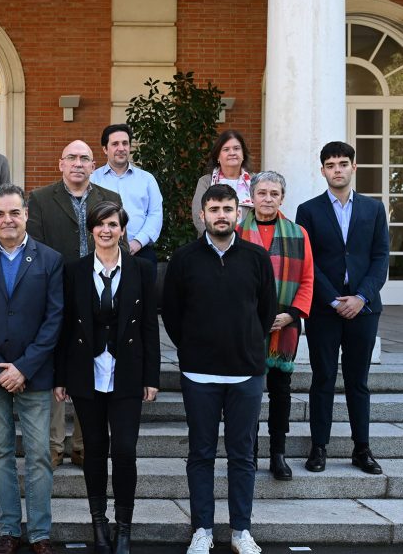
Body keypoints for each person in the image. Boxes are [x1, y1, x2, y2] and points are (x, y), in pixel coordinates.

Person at [162, 184, 276, 554]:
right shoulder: (184, 259)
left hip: (245, 373)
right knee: (201, 454)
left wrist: (245, 344)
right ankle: (203, 530)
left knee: (243, 455)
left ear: (238, 213)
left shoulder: (257, 259)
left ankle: (241, 530)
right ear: (203, 215)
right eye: (214, 209)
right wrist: (193, 348)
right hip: (199, 374)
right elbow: (173, 315)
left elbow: (267, 312)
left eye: (228, 208)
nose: (221, 215)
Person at [0, 184, 64, 554]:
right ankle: (9, 529)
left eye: (14, 212)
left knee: (38, 454)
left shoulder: (49, 259)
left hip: (34, 374)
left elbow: (55, 319)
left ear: (26, 214)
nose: (8, 220)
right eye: (0, 213)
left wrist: (22, 367)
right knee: (1, 453)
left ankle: (39, 532)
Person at [55, 201, 160, 554]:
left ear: (122, 229)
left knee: (126, 450)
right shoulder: (75, 271)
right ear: (91, 230)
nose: (106, 230)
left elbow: (149, 327)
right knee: (95, 450)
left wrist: (152, 376)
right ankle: (99, 525)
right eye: (100, 224)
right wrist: (60, 376)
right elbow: (66, 326)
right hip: (86, 372)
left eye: (112, 224)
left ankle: (124, 527)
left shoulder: (142, 270)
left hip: (127, 371)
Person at [27, 140, 123, 470]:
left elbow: (115, 242)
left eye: (84, 158)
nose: (78, 163)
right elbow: (37, 248)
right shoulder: (39, 199)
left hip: (101, 295)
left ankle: (84, 445)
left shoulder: (110, 200)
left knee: (92, 368)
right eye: (72, 158)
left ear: (93, 165)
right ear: (61, 164)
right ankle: (53, 445)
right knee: (55, 367)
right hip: (56, 293)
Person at [296, 141, 389, 476]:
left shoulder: (374, 209)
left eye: (343, 163)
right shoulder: (308, 210)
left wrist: (361, 297)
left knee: (357, 380)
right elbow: (308, 261)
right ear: (323, 170)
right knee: (322, 377)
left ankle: (361, 449)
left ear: (354, 167)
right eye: (331, 164)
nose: (337, 169)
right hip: (325, 308)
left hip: (364, 309)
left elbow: (380, 259)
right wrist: (334, 299)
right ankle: (318, 447)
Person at [236, 171, 314, 481]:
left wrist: (292, 314)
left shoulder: (298, 234)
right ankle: (249, 453)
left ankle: (278, 454)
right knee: (247, 393)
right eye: (263, 193)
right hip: (245, 327)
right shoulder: (236, 233)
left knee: (280, 392)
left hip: (284, 327)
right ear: (251, 197)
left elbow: (307, 279)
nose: (268, 198)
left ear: (282, 198)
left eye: (274, 193)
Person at [90, 124, 163, 269]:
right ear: (105, 149)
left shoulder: (147, 179)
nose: (121, 148)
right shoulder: (93, 179)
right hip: (101, 251)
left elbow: (155, 214)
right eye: (115, 144)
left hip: (140, 251)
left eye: (125, 143)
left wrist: (138, 242)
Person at [191, 130, 255, 234]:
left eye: (236, 148)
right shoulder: (205, 182)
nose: (232, 153)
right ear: (218, 156)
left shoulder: (255, 182)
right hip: (212, 244)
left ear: (243, 154)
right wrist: (217, 240)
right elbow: (198, 216)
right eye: (226, 149)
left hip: (249, 243)